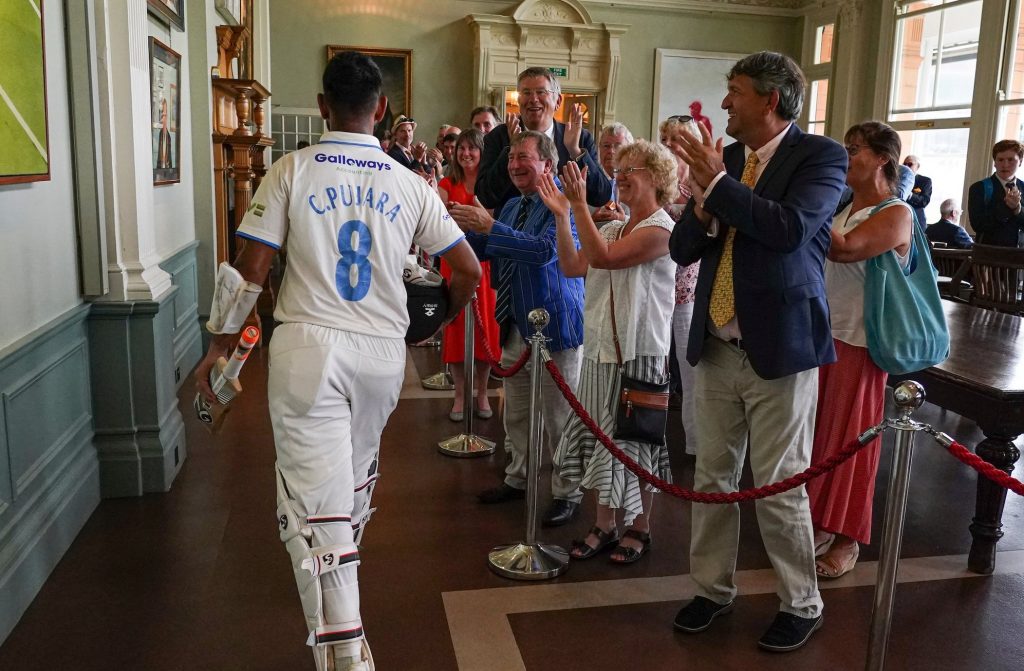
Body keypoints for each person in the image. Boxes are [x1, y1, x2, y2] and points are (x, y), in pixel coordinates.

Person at [194, 51, 481, 671]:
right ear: (382, 109)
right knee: (346, 495)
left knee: (312, 514)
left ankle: (346, 652)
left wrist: (218, 346)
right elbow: (466, 271)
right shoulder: (411, 184)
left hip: (309, 349)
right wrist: (434, 321)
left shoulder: (291, 170)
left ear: (323, 106)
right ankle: (339, 613)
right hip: (382, 356)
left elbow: (251, 270)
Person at [666, 51, 847, 652]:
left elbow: (789, 229)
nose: (724, 102)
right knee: (713, 479)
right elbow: (682, 250)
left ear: (771, 99)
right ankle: (711, 589)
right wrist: (703, 205)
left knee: (779, 484)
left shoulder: (821, 158)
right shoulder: (729, 162)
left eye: (736, 91)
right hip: (718, 346)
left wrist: (719, 187)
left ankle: (801, 602)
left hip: (781, 349)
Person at [539, 140, 677, 563]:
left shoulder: (661, 229)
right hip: (601, 350)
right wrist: (563, 215)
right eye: (618, 169)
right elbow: (573, 265)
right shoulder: (615, 227)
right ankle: (605, 523)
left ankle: (641, 527)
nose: (620, 176)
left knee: (638, 441)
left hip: (641, 353)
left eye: (630, 169)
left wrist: (580, 205)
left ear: (656, 177)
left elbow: (604, 259)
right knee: (603, 438)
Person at [449, 131, 585, 528]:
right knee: (518, 416)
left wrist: (490, 227)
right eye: (511, 158)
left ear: (548, 164)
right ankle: (519, 477)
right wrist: (451, 231)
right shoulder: (511, 204)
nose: (513, 165)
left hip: (555, 326)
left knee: (560, 419)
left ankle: (567, 492)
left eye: (523, 157)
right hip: (514, 325)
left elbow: (542, 251)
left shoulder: (565, 202)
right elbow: (487, 247)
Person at [806, 122, 915, 581]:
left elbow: (847, 250)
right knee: (819, 438)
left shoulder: (897, 212)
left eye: (854, 150)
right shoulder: (846, 206)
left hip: (861, 342)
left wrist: (803, 203)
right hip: (825, 335)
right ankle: (818, 521)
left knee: (852, 441)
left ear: (883, 159)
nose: (846, 157)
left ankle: (847, 536)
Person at [476, 66, 611, 216]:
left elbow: (601, 196)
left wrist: (576, 152)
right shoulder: (498, 137)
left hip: (565, 226)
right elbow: (485, 197)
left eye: (541, 92)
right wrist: (511, 151)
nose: (533, 99)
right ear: (519, 100)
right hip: (513, 226)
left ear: (557, 101)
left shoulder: (579, 137)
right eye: (526, 93)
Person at [437, 129, 500, 421]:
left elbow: (495, 222)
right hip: (457, 263)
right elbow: (440, 220)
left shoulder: (490, 186)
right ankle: (460, 395)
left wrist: (473, 220)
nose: (465, 154)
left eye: (472, 149)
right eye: (461, 148)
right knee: (457, 329)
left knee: (486, 327)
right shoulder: (447, 183)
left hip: (485, 263)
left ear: (481, 152)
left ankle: (483, 392)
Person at [659, 115, 701, 456]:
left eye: (678, 138)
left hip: (690, 290)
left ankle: (696, 445)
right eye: (666, 139)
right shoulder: (658, 182)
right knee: (654, 367)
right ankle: (648, 437)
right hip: (656, 287)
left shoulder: (701, 182)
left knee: (691, 371)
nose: (671, 145)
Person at [967, 139, 1024, 247]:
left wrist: (1018, 209)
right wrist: (1006, 207)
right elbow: (977, 225)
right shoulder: (979, 188)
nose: (1005, 165)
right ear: (995, 162)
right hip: (989, 253)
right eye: (1000, 160)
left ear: (1020, 162)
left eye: (1011, 159)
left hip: (1019, 254)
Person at [592, 123, 634, 227]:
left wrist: (623, 219)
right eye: (606, 146)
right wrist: (591, 219)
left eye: (617, 146)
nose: (611, 151)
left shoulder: (636, 180)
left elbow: (644, 219)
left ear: (629, 151)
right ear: (599, 148)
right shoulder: (589, 178)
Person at [902, 155, 932, 227]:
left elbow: (924, 201)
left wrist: (910, 195)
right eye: (904, 164)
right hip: (900, 218)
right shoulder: (898, 180)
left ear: (917, 166)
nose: (906, 166)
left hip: (916, 221)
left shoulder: (925, 181)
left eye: (910, 164)